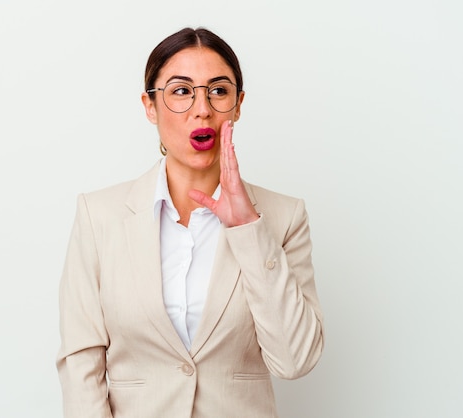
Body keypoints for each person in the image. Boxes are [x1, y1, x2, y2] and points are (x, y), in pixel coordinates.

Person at [56, 27, 324, 418]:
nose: (203, 109)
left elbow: (295, 361)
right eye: (181, 91)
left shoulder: (284, 217)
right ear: (151, 106)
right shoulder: (99, 216)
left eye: (218, 91)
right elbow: (81, 360)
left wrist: (248, 230)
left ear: (238, 104)